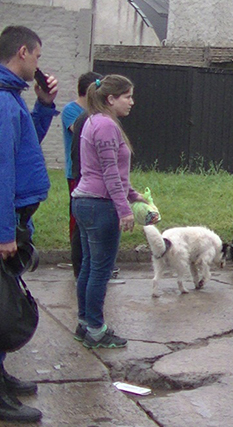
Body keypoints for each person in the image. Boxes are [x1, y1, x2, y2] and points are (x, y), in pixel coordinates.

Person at [0, 25, 59, 423]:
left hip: (15, 218)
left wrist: (43, 106)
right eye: (37, 56)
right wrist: (4, 233)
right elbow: (2, 170)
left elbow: (25, 149)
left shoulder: (13, 97)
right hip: (7, 222)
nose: (39, 64)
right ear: (23, 52)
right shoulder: (3, 101)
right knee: (1, 305)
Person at [71, 74, 145, 349]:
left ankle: (85, 323)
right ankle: (97, 329)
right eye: (127, 96)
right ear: (111, 99)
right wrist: (124, 209)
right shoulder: (104, 125)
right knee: (100, 270)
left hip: (87, 201)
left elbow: (114, 175)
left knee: (90, 267)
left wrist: (134, 195)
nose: (132, 102)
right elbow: (110, 174)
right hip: (98, 205)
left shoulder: (96, 121)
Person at [61, 72, 102, 278]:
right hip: (76, 172)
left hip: (93, 173)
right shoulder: (72, 111)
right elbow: (81, 131)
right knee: (77, 219)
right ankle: (78, 261)